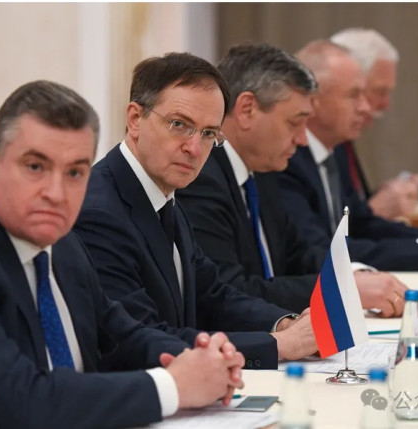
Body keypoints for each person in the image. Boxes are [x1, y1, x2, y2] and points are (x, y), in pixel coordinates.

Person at [0, 80, 246, 429]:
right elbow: (22, 401)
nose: (56, 194)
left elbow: (121, 334)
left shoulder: (59, 237)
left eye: (75, 172)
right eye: (35, 167)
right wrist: (172, 387)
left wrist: (201, 360)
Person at [74, 52, 317, 370]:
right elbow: (140, 338)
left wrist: (285, 324)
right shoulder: (99, 212)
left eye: (208, 134)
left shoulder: (164, 195)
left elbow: (213, 295)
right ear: (135, 119)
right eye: (179, 125)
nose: (194, 148)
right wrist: (278, 345)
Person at [177, 43, 408, 318]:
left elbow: (301, 255)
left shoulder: (262, 170)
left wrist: (358, 276)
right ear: (247, 109)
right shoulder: (200, 179)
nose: (302, 140)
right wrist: (341, 288)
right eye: (294, 123)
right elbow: (230, 292)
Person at [278, 41, 418, 272]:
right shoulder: (285, 159)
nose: (366, 108)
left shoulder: (335, 148)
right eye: (354, 95)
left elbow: (360, 223)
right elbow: (318, 251)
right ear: (313, 102)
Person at [330, 28, 418, 221]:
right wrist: (375, 209)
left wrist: (385, 198)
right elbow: (321, 234)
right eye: (380, 92)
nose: (386, 105)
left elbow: (349, 208)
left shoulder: (340, 139)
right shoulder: (301, 148)